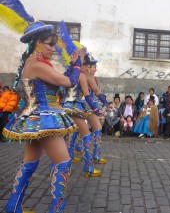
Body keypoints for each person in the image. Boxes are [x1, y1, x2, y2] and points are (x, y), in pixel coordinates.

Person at [3, 21, 81, 213]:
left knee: (29, 162)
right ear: (38, 43)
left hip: (35, 119)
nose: (53, 49)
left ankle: (13, 206)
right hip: (44, 119)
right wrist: (78, 63)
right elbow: (69, 82)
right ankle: (55, 210)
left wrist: (72, 64)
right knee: (63, 162)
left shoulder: (31, 63)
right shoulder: (37, 65)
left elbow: (59, 80)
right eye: (50, 44)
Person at [60, 45, 102, 177]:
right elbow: (88, 95)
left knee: (72, 134)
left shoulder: (69, 73)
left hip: (66, 106)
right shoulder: (81, 75)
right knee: (86, 135)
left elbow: (61, 90)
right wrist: (96, 108)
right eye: (83, 59)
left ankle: (70, 158)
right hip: (75, 108)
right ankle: (88, 167)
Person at [82, 54, 109, 164]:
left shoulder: (80, 74)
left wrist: (104, 102)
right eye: (94, 67)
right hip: (88, 105)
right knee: (97, 129)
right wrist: (104, 103)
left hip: (80, 106)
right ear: (88, 66)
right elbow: (95, 92)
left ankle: (74, 153)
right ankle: (94, 157)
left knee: (78, 131)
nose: (96, 69)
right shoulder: (87, 76)